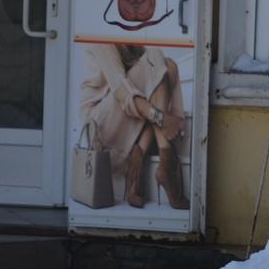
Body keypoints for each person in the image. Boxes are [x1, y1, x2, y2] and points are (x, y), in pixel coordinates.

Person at [79, 44, 188, 209]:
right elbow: (122, 91)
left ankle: (138, 160)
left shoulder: (131, 39)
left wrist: (161, 117)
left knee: (168, 66)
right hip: (101, 126)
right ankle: (167, 161)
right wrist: (163, 119)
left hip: (125, 114)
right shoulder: (102, 39)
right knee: (154, 59)